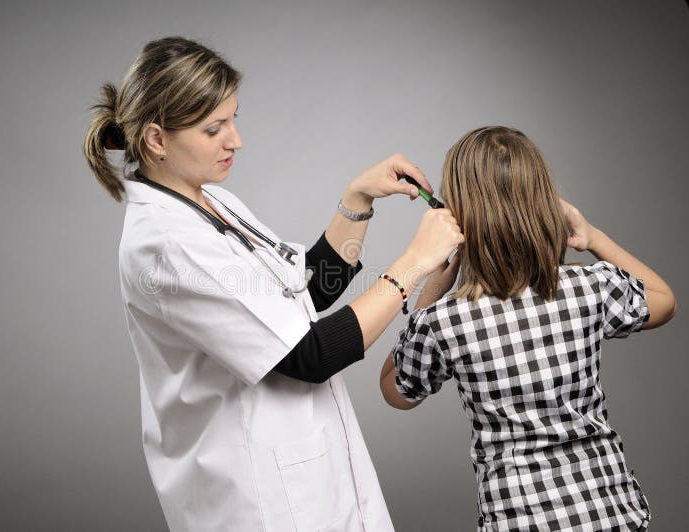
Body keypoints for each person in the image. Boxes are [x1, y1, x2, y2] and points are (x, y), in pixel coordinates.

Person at [83, 36, 463, 532]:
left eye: (233, 120)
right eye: (214, 128)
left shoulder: (214, 203)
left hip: (307, 473)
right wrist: (413, 263)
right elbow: (311, 355)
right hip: (258, 498)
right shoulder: (166, 245)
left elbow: (306, 292)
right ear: (156, 140)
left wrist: (358, 200)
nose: (235, 140)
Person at [380, 126, 677, 531]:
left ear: (459, 221)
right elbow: (663, 299)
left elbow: (396, 390)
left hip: (521, 520)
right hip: (612, 512)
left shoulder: (445, 321)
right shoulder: (590, 287)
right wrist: (594, 238)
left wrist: (432, 286)